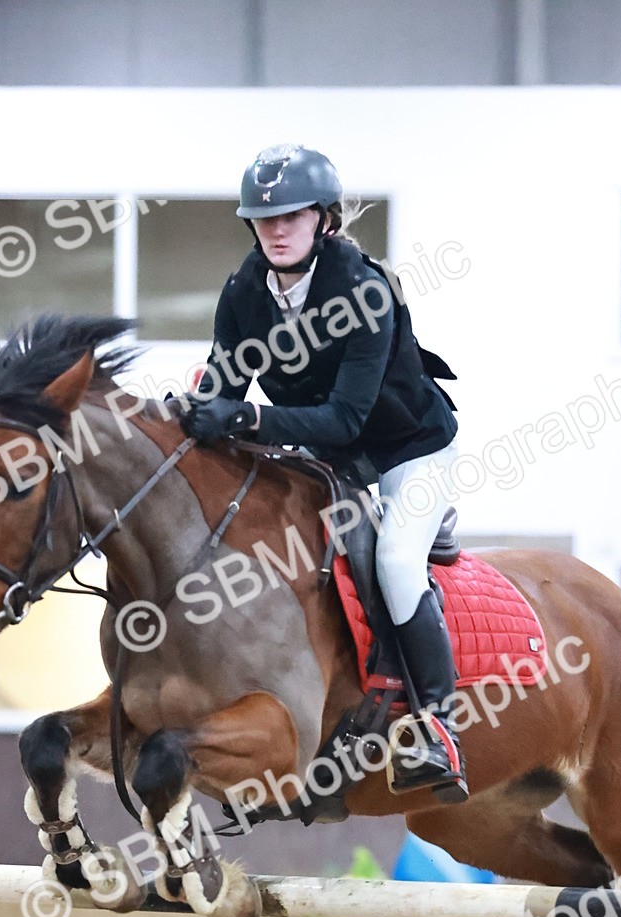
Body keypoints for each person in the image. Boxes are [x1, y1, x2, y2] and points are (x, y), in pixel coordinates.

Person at [181, 143, 467, 802]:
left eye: (291, 216)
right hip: (330, 459)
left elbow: (343, 418)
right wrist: (191, 416)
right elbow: (224, 389)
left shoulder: (365, 290)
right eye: (264, 219)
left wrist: (245, 417)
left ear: (323, 218)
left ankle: (438, 727)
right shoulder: (242, 293)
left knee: (396, 560)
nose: (276, 230)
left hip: (408, 450)